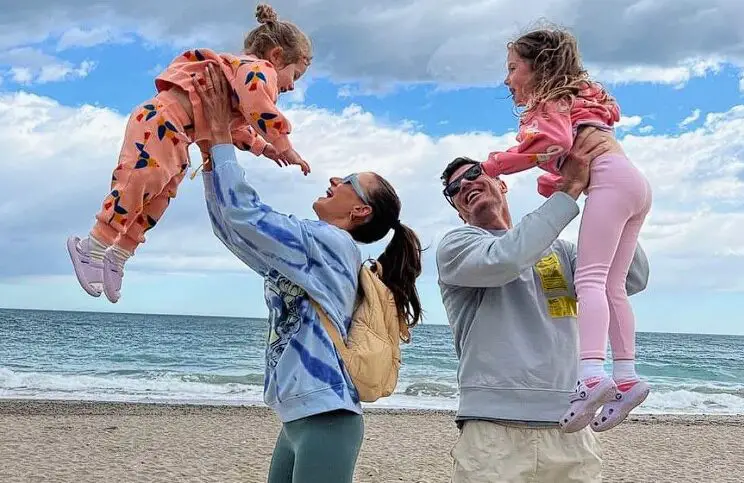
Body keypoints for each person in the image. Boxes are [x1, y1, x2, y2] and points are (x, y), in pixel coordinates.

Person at [194, 64, 423, 482]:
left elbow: (246, 216)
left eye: (349, 180)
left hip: (327, 416)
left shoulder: (331, 244)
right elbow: (233, 229)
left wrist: (222, 138)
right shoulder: (313, 253)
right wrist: (211, 150)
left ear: (360, 211)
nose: (334, 178)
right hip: (301, 414)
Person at [436, 129, 650, 482]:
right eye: (453, 190)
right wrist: (568, 193)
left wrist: (602, 194)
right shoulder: (459, 245)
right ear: (458, 211)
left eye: (475, 173)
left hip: (571, 426)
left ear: (502, 184)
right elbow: (506, 259)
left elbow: (631, 278)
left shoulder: (562, 251)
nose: (465, 185)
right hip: (493, 431)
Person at [67, 4, 311, 304]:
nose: (291, 87)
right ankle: (92, 245)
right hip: (160, 120)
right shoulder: (258, 70)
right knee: (140, 181)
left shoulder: (240, 84)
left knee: (161, 196)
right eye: (295, 75)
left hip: (180, 136)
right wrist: (286, 145)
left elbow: (236, 128)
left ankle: (119, 253)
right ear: (276, 56)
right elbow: (260, 106)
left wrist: (266, 149)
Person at [480, 28, 653, 432]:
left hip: (609, 179)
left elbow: (555, 143)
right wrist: (552, 181)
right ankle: (626, 377)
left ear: (539, 66)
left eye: (512, 68)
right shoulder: (580, 97)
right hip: (633, 182)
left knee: (590, 279)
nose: (507, 80)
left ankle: (591, 374)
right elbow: (566, 153)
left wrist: (495, 164)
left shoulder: (552, 102)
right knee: (611, 285)